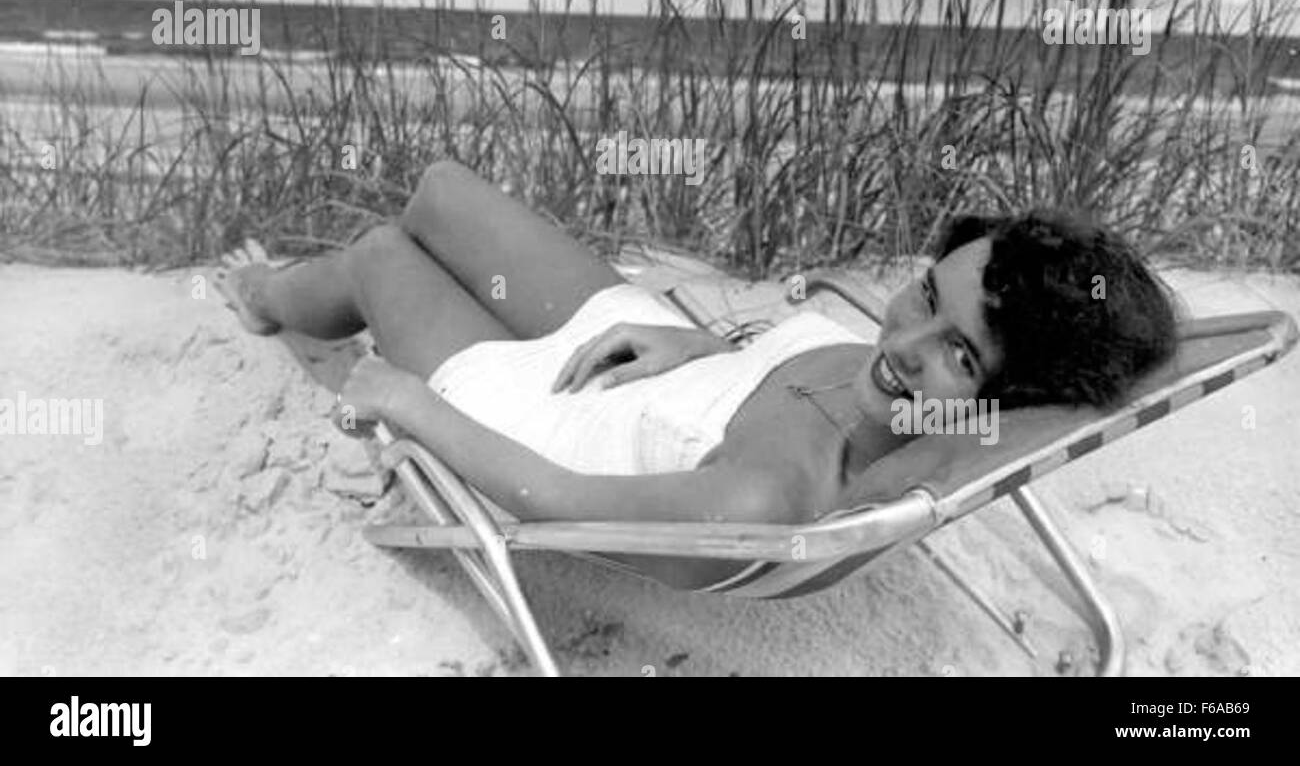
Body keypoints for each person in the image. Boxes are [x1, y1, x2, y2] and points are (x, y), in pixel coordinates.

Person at [216, 159, 1177, 588]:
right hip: (650, 351)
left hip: (546, 416)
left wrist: (405, 399)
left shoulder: (775, 493)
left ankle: (264, 298)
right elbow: (790, 383)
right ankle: (295, 288)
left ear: (1006, 403)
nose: (904, 345)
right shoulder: (903, 404)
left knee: (385, 252)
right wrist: (713, 351)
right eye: (926, 295)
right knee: (438, 191)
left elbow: (554, 499)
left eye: (960, 356)